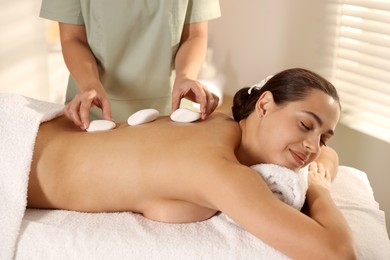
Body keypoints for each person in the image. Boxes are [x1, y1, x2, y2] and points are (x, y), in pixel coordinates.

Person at [27, 68, 356, 259]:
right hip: (21, 151)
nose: (313, 146)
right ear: (266, 104)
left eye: (324, 137)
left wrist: (320, 156)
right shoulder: (221, 173)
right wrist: (319, 189)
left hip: (39, 130)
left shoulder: (220, 123)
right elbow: (338, 252)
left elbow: (330, 156)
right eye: (305, 125)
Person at [39, 1, 221, 130]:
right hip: (93, 112)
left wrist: (185, 76)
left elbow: (194, 35)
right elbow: (73, 39)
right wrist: (89, 84)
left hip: (168, 113)